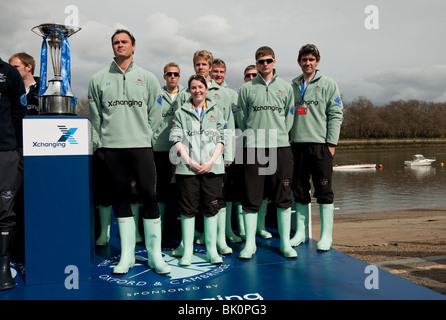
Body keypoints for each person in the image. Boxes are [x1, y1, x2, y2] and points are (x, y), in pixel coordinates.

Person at [88, 29, 170, 275]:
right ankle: (127, 256)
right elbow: (95, 119)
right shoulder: (98, 79)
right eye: (116, 42)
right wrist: (100, 144)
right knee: (121, 199)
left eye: (124, 42)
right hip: (112, 149)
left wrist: (146, 137)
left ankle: (155, 256)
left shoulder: (147, 78)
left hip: (141, 147)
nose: (120, 45)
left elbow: (155, 115)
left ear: (134, 46)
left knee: (149, 196)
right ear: (112, 47)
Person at [234, 46, 296, 259]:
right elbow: (241, 120)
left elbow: (289, 119)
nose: (265, 64)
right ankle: (250, 244)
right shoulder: (246, 89)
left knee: (282, 197)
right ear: (256, 63)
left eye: (268, 60)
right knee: (252, 198)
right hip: (252, 147)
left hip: (280, 146)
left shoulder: (286, 88)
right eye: (261, 61)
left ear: (274, 62)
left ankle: (285, 244)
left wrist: (277, 135)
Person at [175, 50, 235, 255]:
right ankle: (187, 245)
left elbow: (227, 128)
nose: (201, 67)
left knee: (214, 203)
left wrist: (228, 155)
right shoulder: (184, 95)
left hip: (214, 160)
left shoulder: (222, 94)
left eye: (204, 64)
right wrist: (184, 159)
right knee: (189, 205)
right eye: (198, 64)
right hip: (188, 161)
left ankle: (219, 242)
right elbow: (177, 130)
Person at [289, 44, 343, 251]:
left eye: (311, 59)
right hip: (296, 146)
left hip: (321, 146)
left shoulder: (329, 84)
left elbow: (336, 114)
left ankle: (326, 236)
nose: (307, 63)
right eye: (304, 60)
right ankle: (302, 233)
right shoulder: (293, 85)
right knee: (300, 190)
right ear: (299, 62)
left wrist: (331, 143)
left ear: (317, 61)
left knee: (324, 190)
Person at [169, 74, 226, 266]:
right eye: (193, 87)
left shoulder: (216, 111)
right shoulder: (181, 112)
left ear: (206, 89)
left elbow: (221, 140)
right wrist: (190, 162)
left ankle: (212, 250)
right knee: (187, 210)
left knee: (211, 209)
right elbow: (176, 139)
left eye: (200, 87)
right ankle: (187, 251)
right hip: (187, 170)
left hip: (212, 169)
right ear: (190, 90)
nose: (197, 90)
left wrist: (210, 162)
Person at [0, 57, 27, 290]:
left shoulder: (8, 73)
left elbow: (19, 113)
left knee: (5, 210)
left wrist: (15, 149)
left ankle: (3, 267)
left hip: (5, 151)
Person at [152, 62, 184, 228]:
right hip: (160, 148)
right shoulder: (156, 95)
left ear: (179, 76)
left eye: (176, 74)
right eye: (169, 74)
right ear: (164, 76)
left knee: (184, 189)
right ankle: (159, 226)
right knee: (161, 188)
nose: (172, 77)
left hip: (182, 149)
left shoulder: (186, 94)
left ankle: (186, 228)